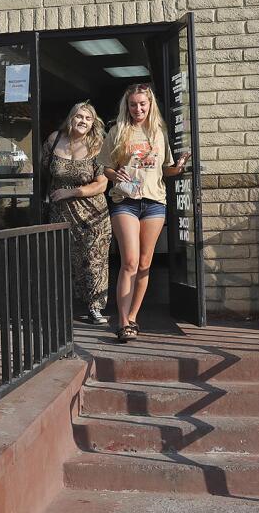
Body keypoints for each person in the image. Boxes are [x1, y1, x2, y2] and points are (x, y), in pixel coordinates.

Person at [98, 83, 190, 342]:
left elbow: (166, 169)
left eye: (142, 104)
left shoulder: (159, 133)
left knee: (145, 263)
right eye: (133, 104)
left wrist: (179, 167)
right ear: (126, 107)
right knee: (129, 261)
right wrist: (115, 174)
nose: (137, 109)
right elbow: (105, 166)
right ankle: (122, 320)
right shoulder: (117, 132)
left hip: (154, 202)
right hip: (125, 200)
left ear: (150, 106)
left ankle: (134, 318)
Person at [43, 101, 111, 325]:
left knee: (94, 260)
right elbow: (43, 172)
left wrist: (70, 192)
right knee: (63, 261)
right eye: (79, 116)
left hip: (92, 215)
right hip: (60, 213)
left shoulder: (98, 145)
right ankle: (62, 307)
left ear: (93, 123)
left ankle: (94, 308)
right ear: (71, 118)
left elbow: (102, 184)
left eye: (88, 118)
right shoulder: (54, 140)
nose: (83, 121)